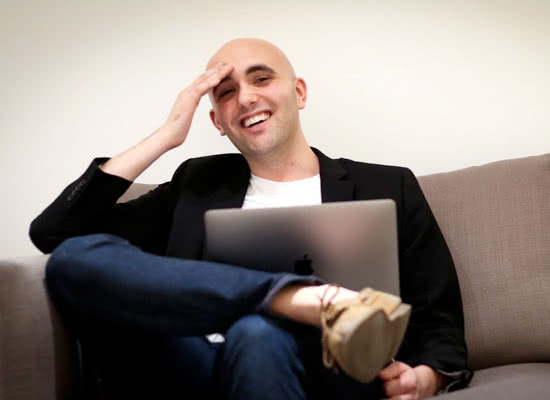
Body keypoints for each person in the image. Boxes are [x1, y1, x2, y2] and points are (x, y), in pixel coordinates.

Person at [30, 38, 471, 400]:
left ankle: (278, 307)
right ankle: (294, 297)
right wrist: (167, 135)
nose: (245, 97)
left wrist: (425, 378)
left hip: (326, 373)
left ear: (299, 92)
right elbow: (56, 232)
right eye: (225, 92)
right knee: (75, 258)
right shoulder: (195, 184)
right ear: (218, 121)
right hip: (197, 366)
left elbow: (439, 320)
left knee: (257, 334)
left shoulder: (388, 185)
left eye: (261, 78)